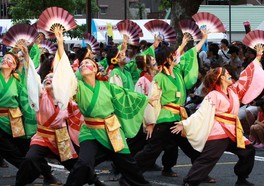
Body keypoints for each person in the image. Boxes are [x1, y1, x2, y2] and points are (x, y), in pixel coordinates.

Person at [45, 28, 151, 186]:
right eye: (83, 63)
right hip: (90, 131)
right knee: (84, 164)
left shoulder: (108, 86)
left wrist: (148, 98)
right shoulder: (77, 86)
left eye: (89, 63)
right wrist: (60, 44)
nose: (85, 64)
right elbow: (65, 72)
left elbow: (127, 95)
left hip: (112, 129)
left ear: (95, 69)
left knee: (128, 165)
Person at [171, 44, 264, 186]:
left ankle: (241, 179)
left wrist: (258, 58)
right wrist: (184, 123)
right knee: (208, 158)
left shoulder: (234, 90)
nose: (229, 75)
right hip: (219, 129)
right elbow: (202, 113)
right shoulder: (213, 95)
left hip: (233, 129)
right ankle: (190, 182)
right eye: (226, 74)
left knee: (248, 151)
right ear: (220, 79)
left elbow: (247, 76)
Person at [135, 28, 208, 177]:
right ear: (167, 60)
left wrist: (203, 39)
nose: (176, 56)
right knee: (151, 150)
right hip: (164, 119)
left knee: (190, 147)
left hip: (179, 118)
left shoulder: (179, 72)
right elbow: (152, 101)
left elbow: (190, 54)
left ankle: (199, 173)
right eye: (172, 55)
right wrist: (150, 122)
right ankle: (130, 173)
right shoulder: (159, 78)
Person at [15, 27, 83, 186]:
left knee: (77, 167)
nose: (48, 78)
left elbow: (64, 70)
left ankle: (94, 181)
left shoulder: (66, 99)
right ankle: (20, 183)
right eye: (46, 77)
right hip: (41, 137)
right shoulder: (39, 95)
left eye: (52, 77)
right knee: (30, 158)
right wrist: (26, 57)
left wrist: (60, 44)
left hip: (60, 137)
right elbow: (32, 78)